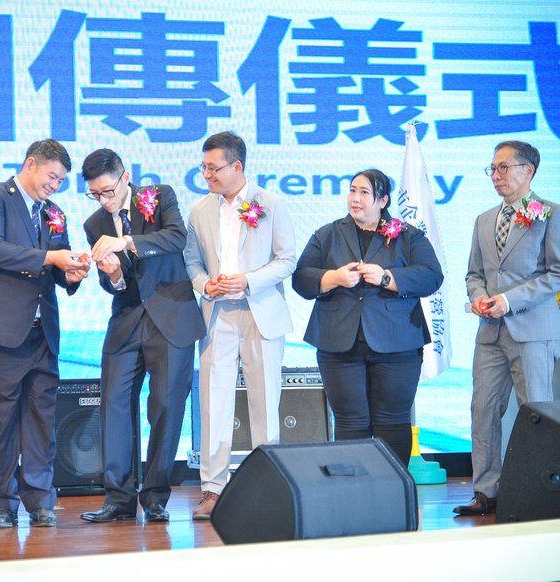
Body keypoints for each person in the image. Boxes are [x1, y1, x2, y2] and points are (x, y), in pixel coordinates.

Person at [0, 139, 88, 529]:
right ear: (30, 164)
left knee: (41, 421)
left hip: (41, 333)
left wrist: (73, 273)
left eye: (61, 181)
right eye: (52, 176)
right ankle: (1, 502)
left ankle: (40, 500)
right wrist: (51, 257)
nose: (55, 186)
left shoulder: (54, 212)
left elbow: (60, 264)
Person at [79, 149, 204, 523]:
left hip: (171, 315)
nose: (104, 201)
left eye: (108, 191)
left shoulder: (159, 196)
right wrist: (114, 274)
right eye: (95, 194)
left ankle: (155, 496)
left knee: (166, 405)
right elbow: (112, 284)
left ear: (125, 178)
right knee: (114, 404)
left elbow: (176, 238)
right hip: (127, 321)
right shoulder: (94, 224)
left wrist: (127, 242)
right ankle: (118, 497)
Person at [292, 168, 443, 467]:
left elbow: (431, 276)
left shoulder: (407, 235)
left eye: (364, 193)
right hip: (339, 343)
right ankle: (356, 486)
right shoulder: (328, 234)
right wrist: (333, 278)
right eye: (352, 190)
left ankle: (391, 484)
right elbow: (301, 279)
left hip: (397, 343)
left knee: (392, 419)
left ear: (383, 200)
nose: (355, 198)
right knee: (350, 420)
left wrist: (387, 277)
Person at [184, 131, 296, 521]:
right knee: (213, 402)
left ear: (237, 166)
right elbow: (191, 262)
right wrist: (205, 285)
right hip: (217, 314)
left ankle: (269, 488)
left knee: (264, 402)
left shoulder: (271, 203)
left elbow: (287, 259)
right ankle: (213, 489)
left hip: (260, 311)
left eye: (213, 168)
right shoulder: (199, 209)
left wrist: (248, 280)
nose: (207, 175)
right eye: (203, 167)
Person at [455, 141, 560, 516]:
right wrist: (480, 296)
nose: (496, 176)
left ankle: (541, 493)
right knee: (483, 410)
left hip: (532, 330)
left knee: (537, 414)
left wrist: (509, 300)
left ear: (527, 171)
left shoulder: (550, 214)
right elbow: (474, 273)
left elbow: (556, 273)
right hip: (489, 332)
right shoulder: (484, 219)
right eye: (493, 169)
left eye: (503, 168)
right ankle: (486, 492)